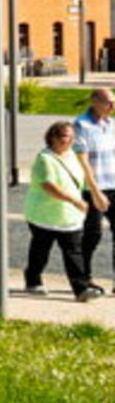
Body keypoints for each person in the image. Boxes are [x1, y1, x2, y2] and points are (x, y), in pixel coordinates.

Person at [25, 119, 105, 301]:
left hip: (69, 216)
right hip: (44, 215)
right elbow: (48, 186)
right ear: (52, 137)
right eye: (64, 136)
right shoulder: (45, 159)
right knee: (40, 251)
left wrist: (95, 195)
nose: (68, 141)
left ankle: (81, 289)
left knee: (73, 253)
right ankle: (33, 280)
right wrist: (75, 201)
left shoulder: (72, 156)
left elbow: (83, 179)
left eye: (71, 137)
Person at [74, 88, 115, 279]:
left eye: (113, 102)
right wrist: (96, 192)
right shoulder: (81, 125)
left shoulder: (111, 124)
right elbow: (83, 162)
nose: (112, 106)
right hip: (93, 188)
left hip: (113, 184)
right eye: (108, 102)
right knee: (93, 234)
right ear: (94, 102)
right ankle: (84, 277)